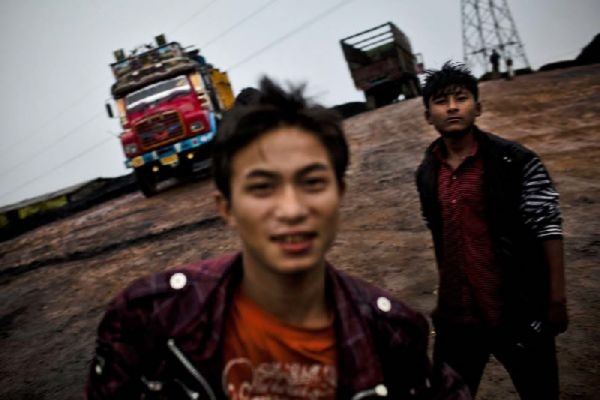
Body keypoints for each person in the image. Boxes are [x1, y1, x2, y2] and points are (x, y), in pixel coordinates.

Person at [86, 76, 470, 399]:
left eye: (312, 182)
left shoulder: (394, 334)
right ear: (227, 207)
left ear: (340, 194)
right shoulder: (148, 321)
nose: (291, 209)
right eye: (262, 187)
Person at [415, 61, 568, 399]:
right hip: (458, 317)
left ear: (478, 107)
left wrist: (556, 299)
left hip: (517, 311)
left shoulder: (514, 161)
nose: (452, 107)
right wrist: (443, 300)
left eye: (461, 98)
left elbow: (548, 226)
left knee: (540, 392)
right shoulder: (426, 173)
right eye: (441, 101)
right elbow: (440, 237)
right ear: (428, 115)